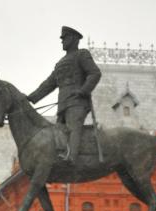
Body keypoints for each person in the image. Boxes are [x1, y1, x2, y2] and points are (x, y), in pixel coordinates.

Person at [27, 26, 101, 164]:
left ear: (73, 39)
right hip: (63, 105)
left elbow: (95, 73)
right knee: (58, 133)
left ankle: (72, 158)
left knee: (73, 128)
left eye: (65, 38)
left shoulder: (82, 54)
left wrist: (83, 90)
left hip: (77, 103)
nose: (62, 41)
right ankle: (60, 157)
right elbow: (48, 84)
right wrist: (31, 98)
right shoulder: (60, 63)